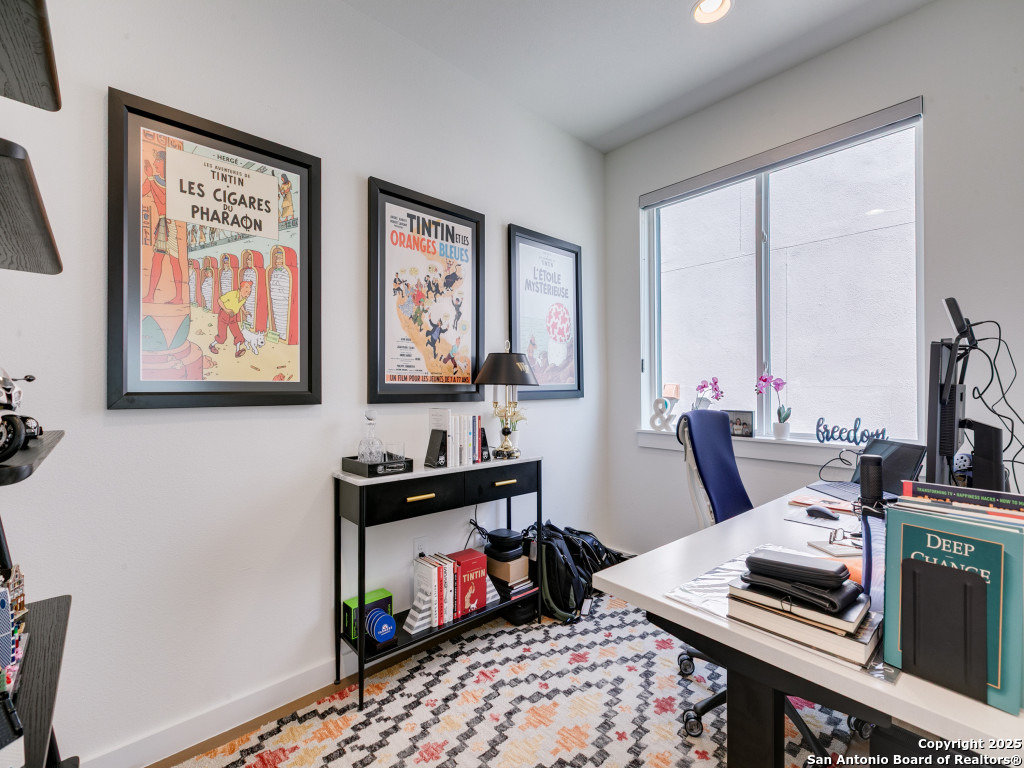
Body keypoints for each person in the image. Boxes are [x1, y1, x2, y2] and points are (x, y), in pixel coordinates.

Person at [141, 151, 184, 304]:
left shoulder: (173, 182)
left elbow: (163, 200)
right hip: (162, 223)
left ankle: (178, 297)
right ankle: (151, 295)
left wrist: (151, 178)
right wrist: (148, 178)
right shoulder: (154, 179)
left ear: (165, 162)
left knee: (173, 260)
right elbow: (142, 191)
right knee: (157, 259)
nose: (155, 163)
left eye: (158, 160)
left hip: (170, 224)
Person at [210, 281, 253, 358]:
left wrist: (244, 311)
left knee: (238, 334)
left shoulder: (244, 298)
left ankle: (237, 352)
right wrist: (226, 309)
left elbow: (241, 305)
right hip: (224, 315)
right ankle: (212, 345)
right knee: (222, 336)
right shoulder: (232, 294)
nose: (248, 294)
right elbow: (220, 300)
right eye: (246, 291)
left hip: (233, 316)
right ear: (241, 289)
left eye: (249, 292)